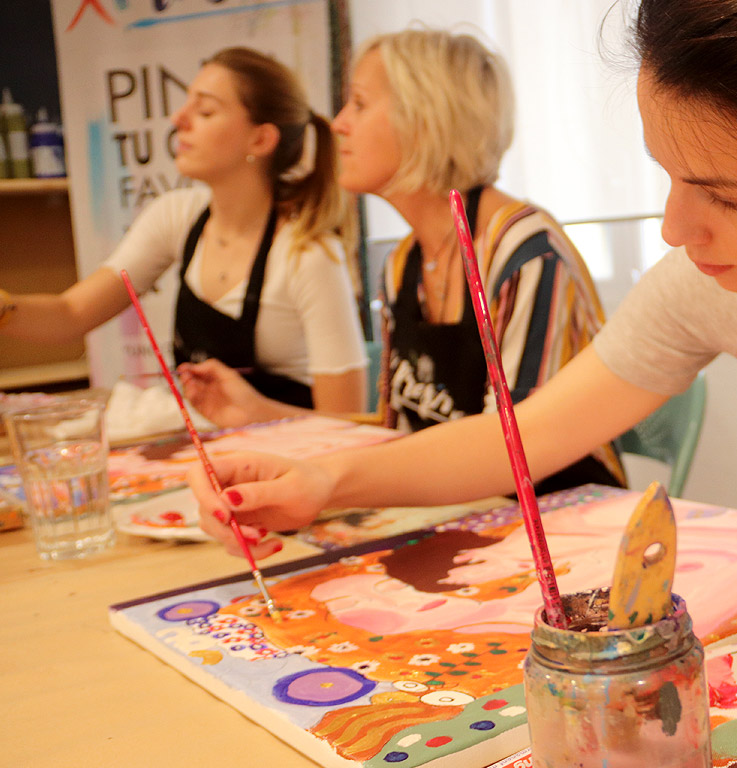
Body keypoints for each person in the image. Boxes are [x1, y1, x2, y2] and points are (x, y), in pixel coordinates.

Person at [189, 0, 737, 583]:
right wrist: (321, 483)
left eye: (726, 195)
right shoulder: (716, 282)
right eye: (666, 175)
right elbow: (525, 437)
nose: (674, 226)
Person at [181, 29, 624, 493]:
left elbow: (512, 452)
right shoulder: (402, 266)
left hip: (563, 524)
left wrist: (328, 486)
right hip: (464, 516)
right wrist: (261, 414)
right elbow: (399, 439)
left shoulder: (524, 252)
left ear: (425, 119)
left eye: (359, 103)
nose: (338, 123)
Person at [0, 47, 367, 413]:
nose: (179, 118)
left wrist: (257, 411)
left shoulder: (310, 255)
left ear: (260, 140)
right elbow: (71, 314)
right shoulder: (177, 217)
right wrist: (6, 309)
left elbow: (346, 424)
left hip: (296, 462)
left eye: (205, 111)